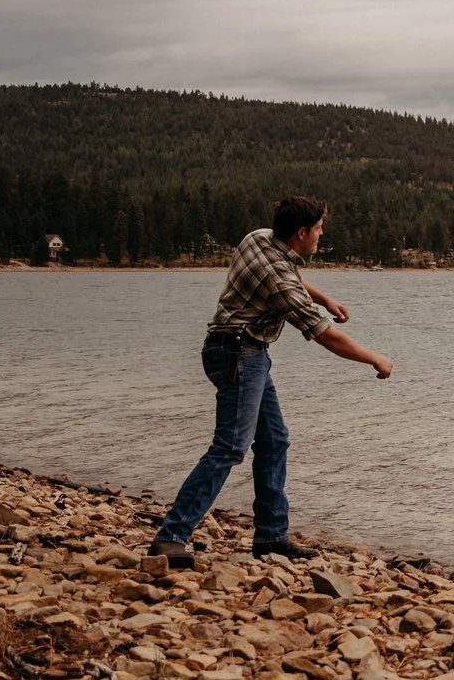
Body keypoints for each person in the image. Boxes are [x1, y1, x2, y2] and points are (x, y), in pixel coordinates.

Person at [148, 196, 393, 566]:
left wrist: (324, 297)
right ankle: (171, 536)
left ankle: (271, 537)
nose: (322, 234)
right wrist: (375, 358)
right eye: (319, 229)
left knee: (275, 440)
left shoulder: (260, 238)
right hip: (238, 355)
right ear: (301, 233)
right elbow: (326, 336)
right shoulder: (279, 280)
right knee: (230, 446)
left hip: (243, 352)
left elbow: (288, 275)